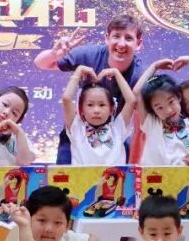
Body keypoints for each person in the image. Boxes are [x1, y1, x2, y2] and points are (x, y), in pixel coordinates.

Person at [34, 14, 147, 163]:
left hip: (113, 135)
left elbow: (140, 128)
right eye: (116, 36)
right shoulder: (88, 55)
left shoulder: (140, 76)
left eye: (128, 38)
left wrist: (133, 168)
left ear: (138, 43)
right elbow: (40, 63)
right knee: (64, 176)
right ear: (107, 38)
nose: (121, 44)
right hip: (79, 134)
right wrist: (54, 54)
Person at [132, 60, 189, 166]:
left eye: (171, 102)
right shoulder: (152, 124)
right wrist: (154, 66)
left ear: (178, 97)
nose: (168, 110)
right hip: (152, 177)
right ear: (153, 110)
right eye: (159, 108)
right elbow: (136, 93)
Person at [61, 66, 136, 165]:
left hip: (115, 176)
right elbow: (66, 98)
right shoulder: (77, 128)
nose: (96, 110)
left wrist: (116, 73)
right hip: (82, 176)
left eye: (102, 105)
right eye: (90, 105)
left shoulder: (118, 129)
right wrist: (79, 71)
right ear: (81, 110)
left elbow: (131, 101)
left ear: (111, 110)